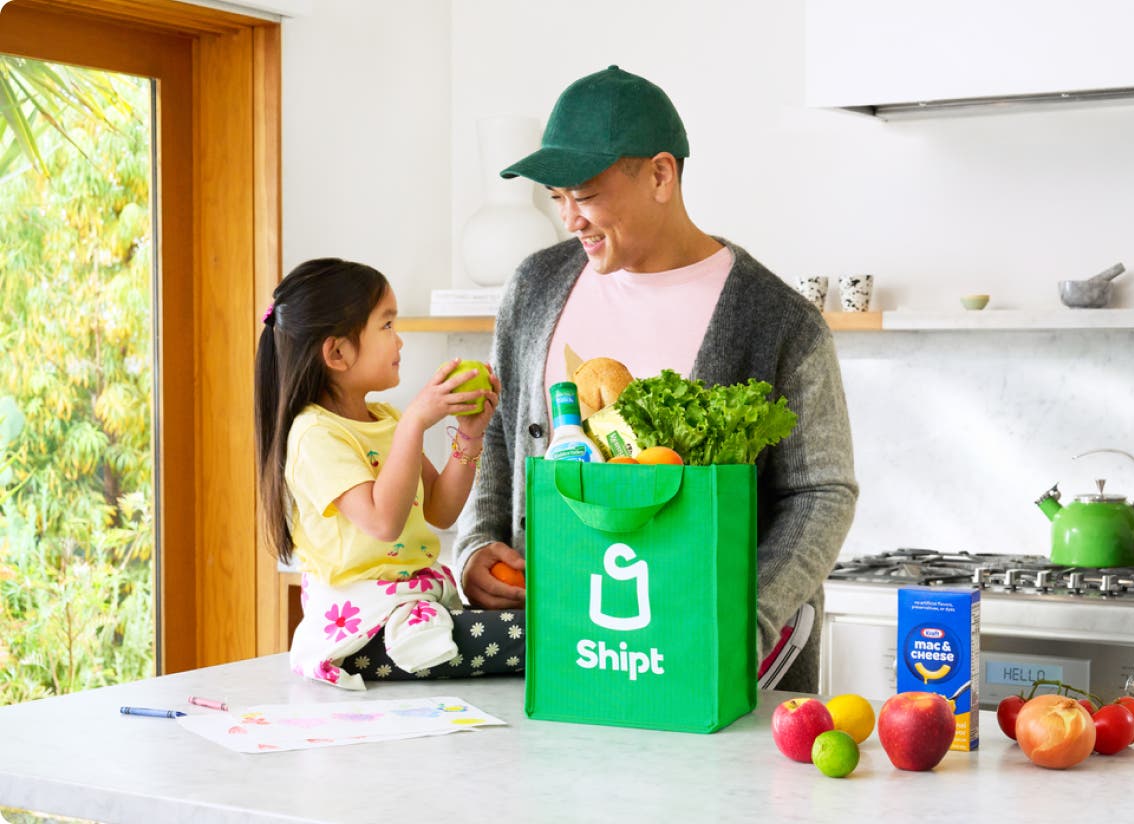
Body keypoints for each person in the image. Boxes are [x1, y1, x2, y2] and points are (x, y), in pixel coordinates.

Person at [452, 66, 858, 692]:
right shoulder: (534, 287)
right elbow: (502, 438)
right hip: (561, 651)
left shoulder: (778, 319)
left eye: (584, 196)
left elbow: (822, 492)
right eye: (556, 198)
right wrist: (477, 547)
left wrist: (742, 618)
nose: (570, 220)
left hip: (715, 667)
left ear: (661, 175)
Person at [255, 257, 524, 689]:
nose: (399, 341)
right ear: (337, 352)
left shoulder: (385, 419)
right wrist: (416, 421)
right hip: (365, 624)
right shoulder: (314, 434)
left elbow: (440, 509)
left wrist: (470, 437)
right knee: (526, 639)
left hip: (412, 603)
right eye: (386, 326)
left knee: (520, 631)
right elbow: (383, 522)